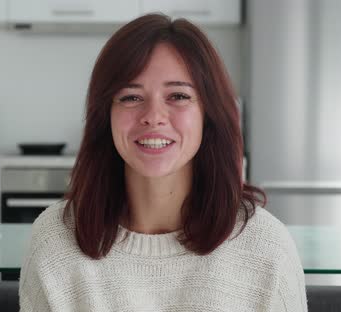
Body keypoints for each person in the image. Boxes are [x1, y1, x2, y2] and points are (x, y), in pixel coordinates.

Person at [19, 13, 307, 312]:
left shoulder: (266, 248)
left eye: (178, 96)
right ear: (105, 116)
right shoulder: (54, 241)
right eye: (131, 97)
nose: (153, 116)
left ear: (209, 115)